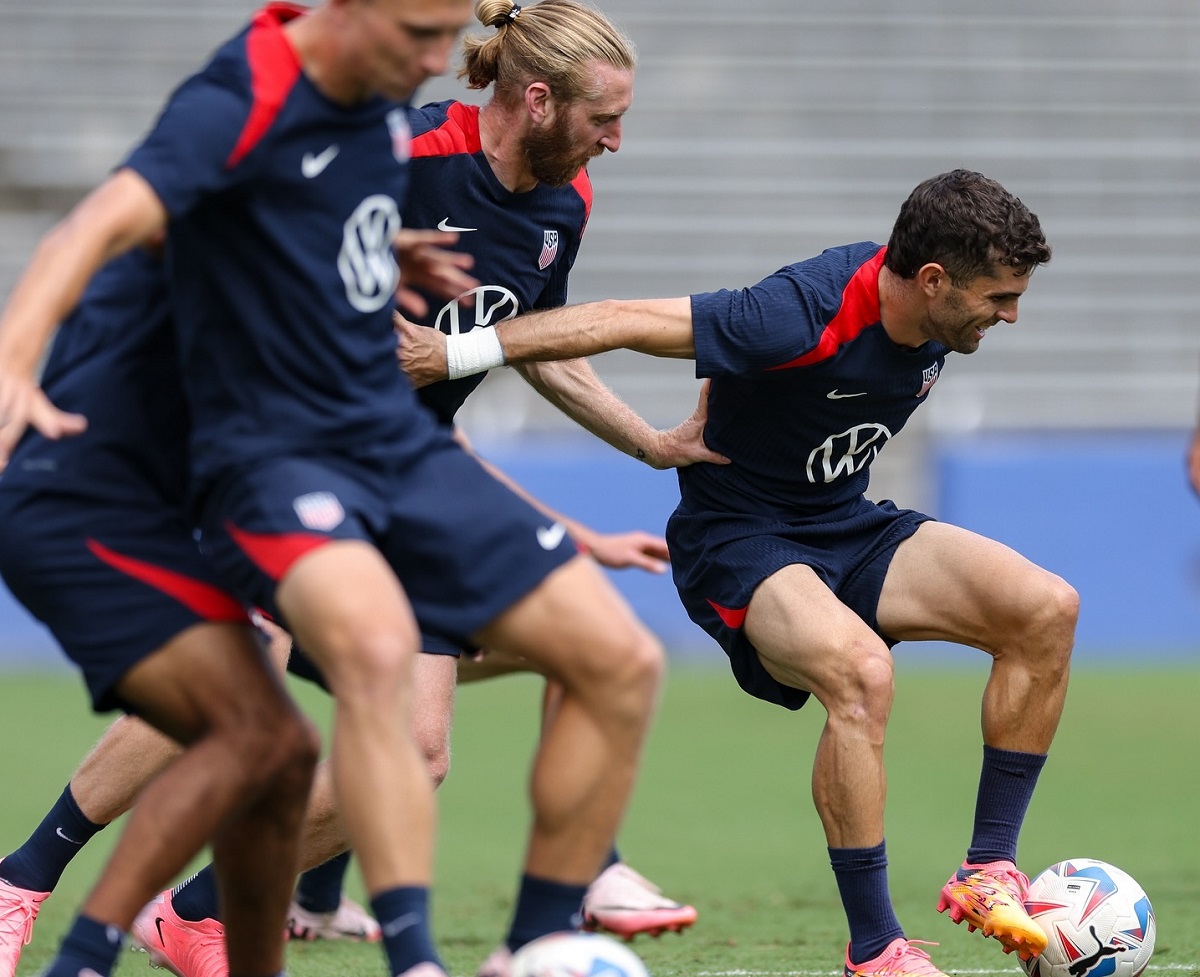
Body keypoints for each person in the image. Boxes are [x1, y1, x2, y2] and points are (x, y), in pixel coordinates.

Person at [0, 3, 664, 977]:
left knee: (438, 735)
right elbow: (112, 232)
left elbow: (530, 337)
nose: (442, 63)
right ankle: (30, 881)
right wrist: (18, 369)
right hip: (276, 447)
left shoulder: (553, 193)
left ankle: (208, 915)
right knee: (252, 678)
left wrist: (652, 446)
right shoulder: (372, 128)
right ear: (539, 96)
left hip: (395, 459)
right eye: (604, 114)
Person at [399, 169, 1080, 977]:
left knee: (1046, 608)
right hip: (740, 538)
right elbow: (619, 318)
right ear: (933, 281)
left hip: (844, 520)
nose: (1010, 314)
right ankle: (878, 948)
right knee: (861, 675)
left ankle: (987, 869)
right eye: (999, 297)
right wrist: (455, 351)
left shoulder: (938, 316)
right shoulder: (799, 312)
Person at [0, 246, 321, 977]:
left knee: (360, 736)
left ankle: (209, 912)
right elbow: (81, 243)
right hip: (137, 482)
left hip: (284, 476)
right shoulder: (214, 167)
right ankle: (43, 896)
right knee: (254, 703)